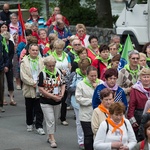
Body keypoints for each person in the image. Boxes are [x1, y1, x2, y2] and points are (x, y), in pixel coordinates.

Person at [38, 55, 66, 148]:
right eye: (49, 66)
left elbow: (63, 84)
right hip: (46, 100)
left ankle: (49, 135)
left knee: (54, 119)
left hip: (57, 100)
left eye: (53, 65)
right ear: (45, 65)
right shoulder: (42, 74)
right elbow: (41, 89)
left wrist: (62, 93)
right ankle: (52, 139)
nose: (52, 67)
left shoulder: (58, 71)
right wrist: (52, 96)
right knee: (50, 119)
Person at [75, 66, 103, 150]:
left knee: (98, 136)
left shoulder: (101, 83)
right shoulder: (81, 84)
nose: (94, 78)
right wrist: (92, 101)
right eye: (91, 76)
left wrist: (96, 89)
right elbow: (78, 99)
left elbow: (104, 98)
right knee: (88, 136)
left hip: (99, 114)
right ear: (87, 75)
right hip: (86, 115)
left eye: (95, 75)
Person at [20, 44, 45, 135]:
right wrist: (32, 83)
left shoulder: (42, 61)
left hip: (39, 86)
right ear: (29, 51)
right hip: (29, 87)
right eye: (33, 50)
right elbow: (23, 76)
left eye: (36, 50)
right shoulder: (24, 62)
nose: (35, 52)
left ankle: (39, 126)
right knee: (29, 107)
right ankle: (29, 123)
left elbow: (44, 72)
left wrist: (39, 83)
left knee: (39, 108)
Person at [68, 58, 91, 149]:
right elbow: (69, 88)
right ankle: (81, 141)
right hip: (77, 104)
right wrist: (79, 88)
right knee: (79, 123)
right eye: (83, 69)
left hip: (90, 103)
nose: (85, 71)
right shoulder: (75, 75)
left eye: (86, 69)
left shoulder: (92, 75)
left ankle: (89, 139)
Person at [52, 39, 71, 125]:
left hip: (65, 78)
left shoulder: (66, 55)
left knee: (64, 98)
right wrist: (59, 71)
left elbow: (69, 66)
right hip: (55, 79)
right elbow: (50, 67)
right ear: (55, 48)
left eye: (61, 48)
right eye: (58, 48)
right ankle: (53, 116)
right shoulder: (51, 56)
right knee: (55, 97)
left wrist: (66, 71)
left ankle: (63, 118)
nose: (59, 50)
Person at [127, 67, 150, 140]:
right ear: (140, 78)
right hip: (140, 115)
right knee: (141, 138)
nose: (146, 79)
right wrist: (132, 119)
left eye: (148, 77)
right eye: (144, 77)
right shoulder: (135, 88)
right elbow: (132, 104)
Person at [1, 31, 16, 106]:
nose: (6, 41)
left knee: (10, 82)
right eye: (5, 40)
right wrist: (4, 65)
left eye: (7, 39)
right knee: (2, 84)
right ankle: (3, 99)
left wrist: (7, 65)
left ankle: (11, 98)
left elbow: (11, 55)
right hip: (1, 65)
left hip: (9, 65)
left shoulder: (11, 43)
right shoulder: (1, 43)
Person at [0, 34, 9, 112]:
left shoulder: (2, 38)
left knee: (1, 86)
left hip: (1, 67)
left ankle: (0, 105)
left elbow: (5, 51)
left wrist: (6, 64)